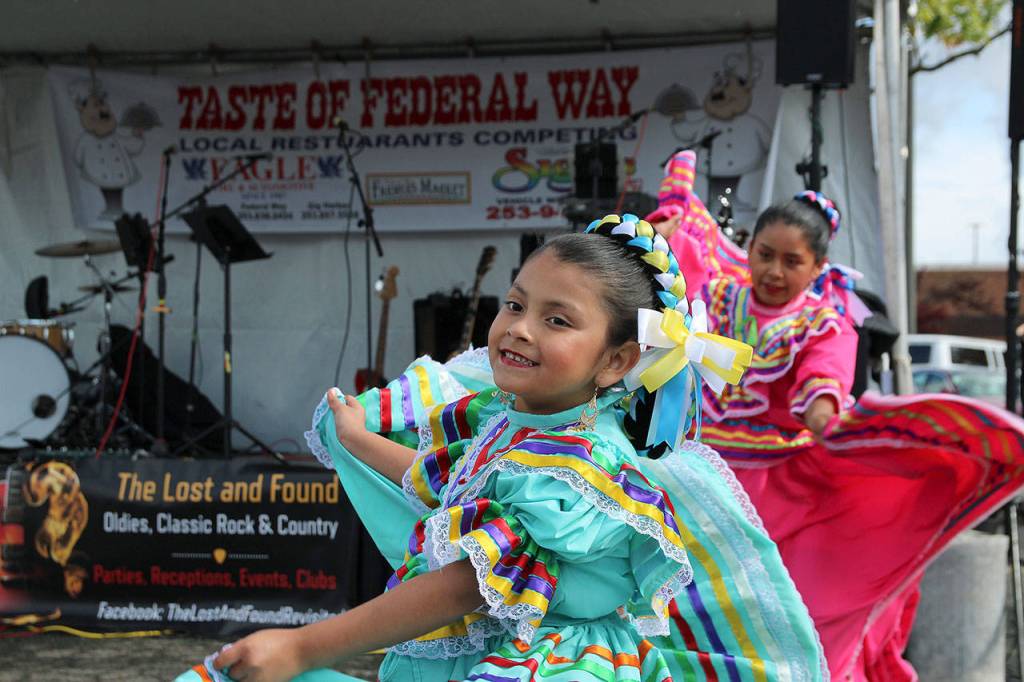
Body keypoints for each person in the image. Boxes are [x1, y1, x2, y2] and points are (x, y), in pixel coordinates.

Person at [178, 215, 825, 682]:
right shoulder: (512, 418)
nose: (517, 328)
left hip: (540, 665)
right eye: (514, 303)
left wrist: (306, 648)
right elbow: (455, 488)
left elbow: (469, 585)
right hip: (473, 650)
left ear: (617, 360)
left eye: (557, 319)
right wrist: (359, 440)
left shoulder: (578, 465)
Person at [657, 191, 1024, 680]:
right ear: (750, 249)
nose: (773, 271)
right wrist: (666, 228)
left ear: (817, 268)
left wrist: (829, 420)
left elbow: (821, 386)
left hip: (783, 491)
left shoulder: (823, 324)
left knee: (793, 604)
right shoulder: (720, 297)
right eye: (764, 254)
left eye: (792, 262)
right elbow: (680, 261)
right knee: (684, 599)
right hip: (703, 480)